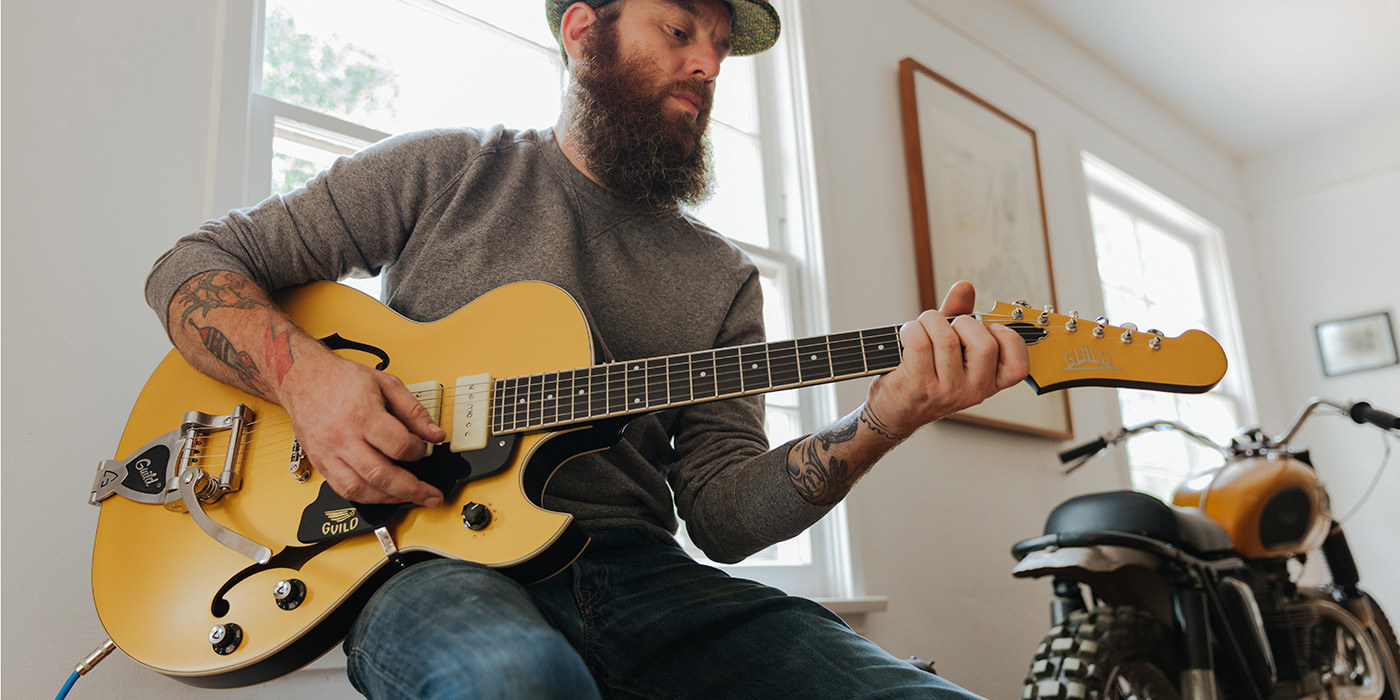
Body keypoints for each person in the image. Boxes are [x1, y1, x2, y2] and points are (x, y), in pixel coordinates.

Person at [144, 0, 1030, 697]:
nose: (707, 65)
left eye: (720, 48)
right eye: (680, 29)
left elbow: (722, 516)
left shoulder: (720, 277)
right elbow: (191, 269)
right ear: (583, 31)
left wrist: (885, 415)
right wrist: (310, 383)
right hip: (421, 566)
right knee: (515, 681)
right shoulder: (446, 171)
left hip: (647, 578)